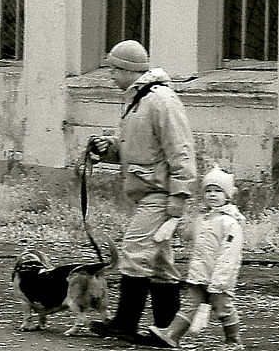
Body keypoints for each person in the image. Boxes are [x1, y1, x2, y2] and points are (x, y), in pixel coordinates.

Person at [84, 39, 198, 342]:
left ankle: (125, 323)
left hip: (159, 193)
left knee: (134, 252)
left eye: (113, 69)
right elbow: (137, 150)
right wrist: (109, 148)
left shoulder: (161, 100)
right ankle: (165, 330)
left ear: (127, 69)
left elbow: (181, 150)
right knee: (160, 265)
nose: (110, 75)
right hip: (148, 190)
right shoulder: (137, 100)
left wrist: (180, 195)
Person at [146, 167, 245, 349]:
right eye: (208, 190)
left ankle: (233, 340)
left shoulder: (230, 222)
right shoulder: (203, 219)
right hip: (200, 274)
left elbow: (229, 255)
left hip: (219, 278)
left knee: (223, 309)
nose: (212, 195)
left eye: (218, 191)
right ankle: (171, 335)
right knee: (189, 306)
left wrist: (220, 281)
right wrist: (174, 224)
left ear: (228, 195)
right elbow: (191, 238)